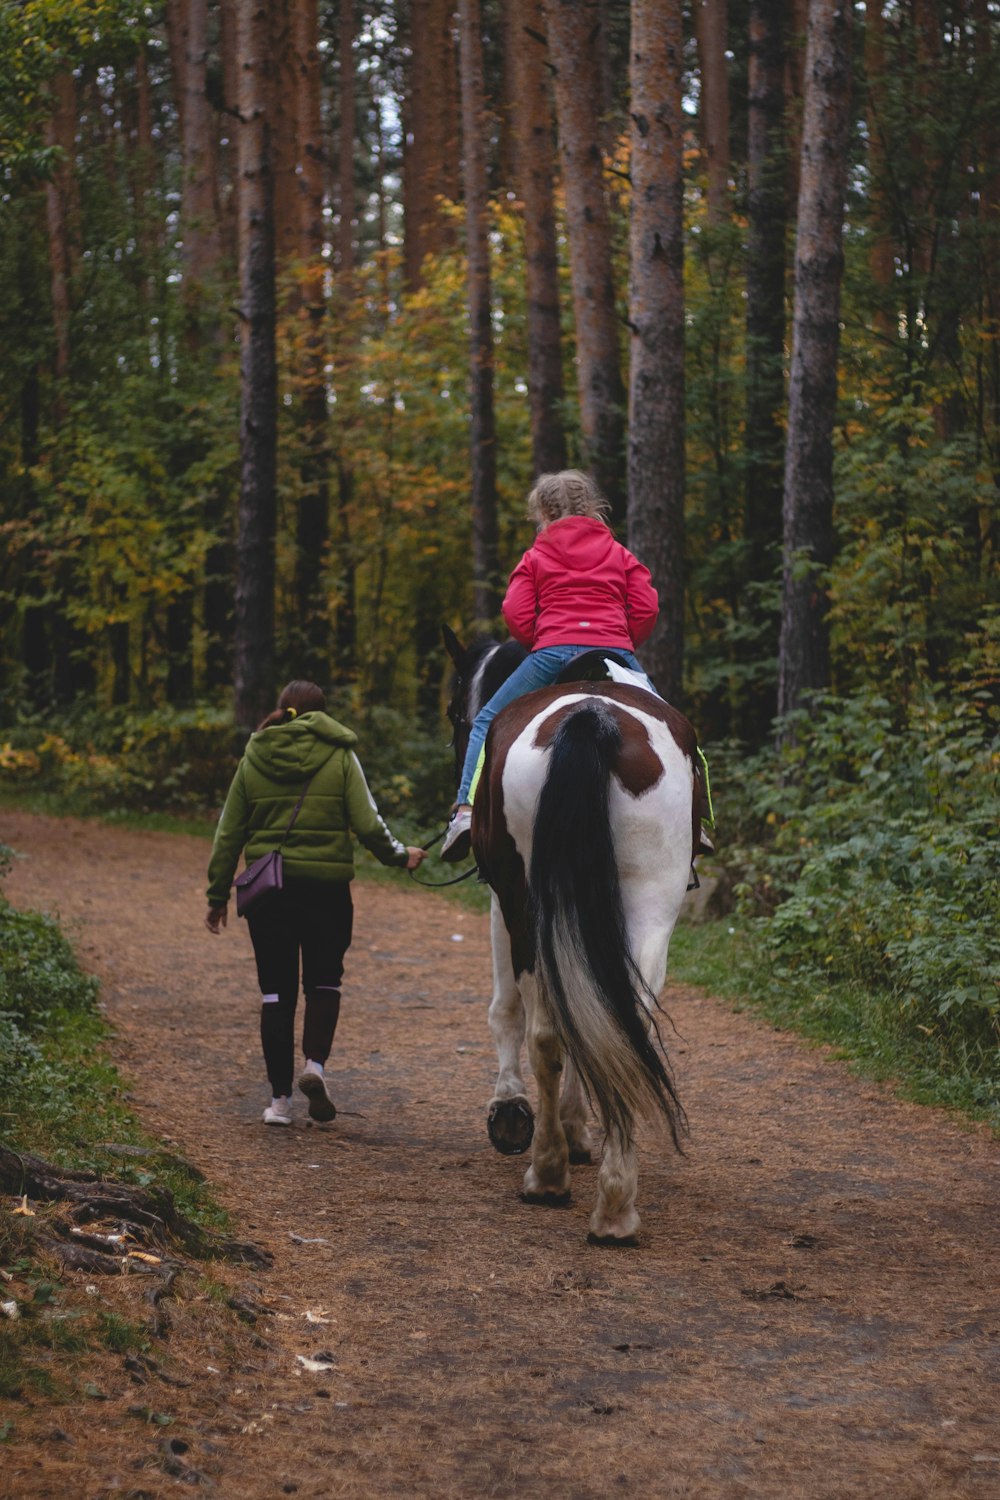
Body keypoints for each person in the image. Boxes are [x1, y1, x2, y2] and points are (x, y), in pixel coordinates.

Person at [204, 680, 425, 1126]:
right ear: (322, 714)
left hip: (270, 895)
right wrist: (402, 856)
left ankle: (280, 1103)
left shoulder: (255, 756)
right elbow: (368, 822)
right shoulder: (340, 755)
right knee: (324, 983)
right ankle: (314, 1067)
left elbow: (229, 832)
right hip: (326, 891)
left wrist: (217, 894)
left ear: (282, 709)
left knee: (275, 994)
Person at [441, 469, 659, 862]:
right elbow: (646, 607)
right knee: (670, 726)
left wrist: (538, 642)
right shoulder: (619, 553)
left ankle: (465, 812)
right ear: (591, 506)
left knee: (487, 721)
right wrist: (624, 642)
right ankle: (699, 823)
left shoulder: (537, 555)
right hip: (615, 653)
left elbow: (516, 611)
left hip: (553, 652)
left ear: (542, 511)